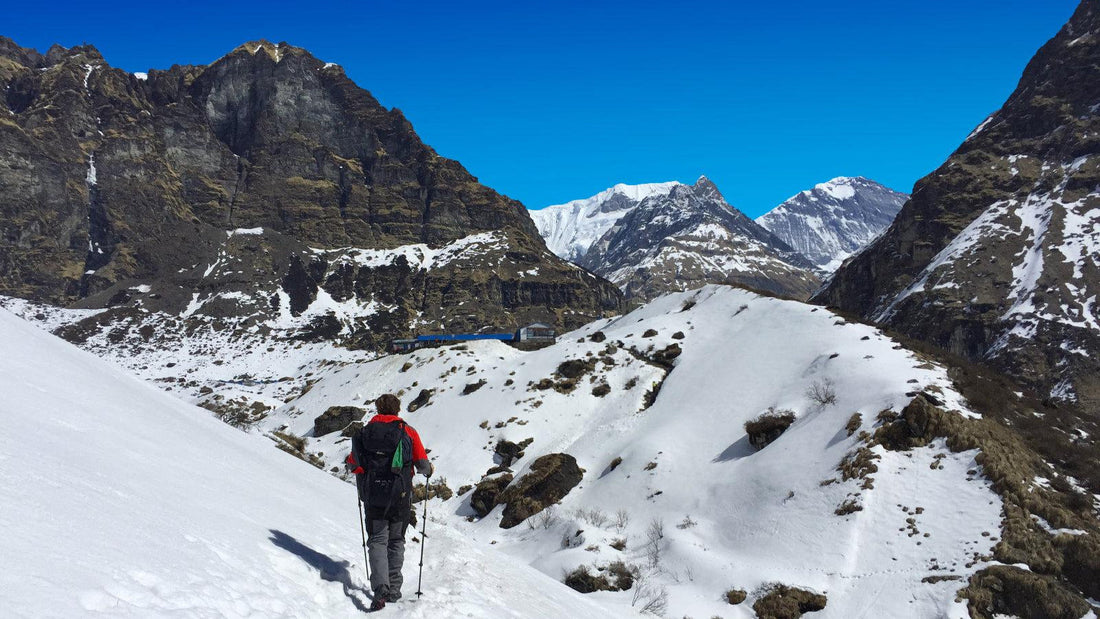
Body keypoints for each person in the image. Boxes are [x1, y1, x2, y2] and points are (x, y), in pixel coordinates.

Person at [346, 393, 433, 611]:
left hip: (373, 497)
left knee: (377, 540)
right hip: (400, 497)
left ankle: (381, 589)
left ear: (377, 409)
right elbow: (422, 465)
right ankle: (393, 589)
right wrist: (429, 469)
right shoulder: (408, 431)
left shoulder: (364, 433)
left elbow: (353, 464)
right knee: (396, 541)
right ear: (397, 409)